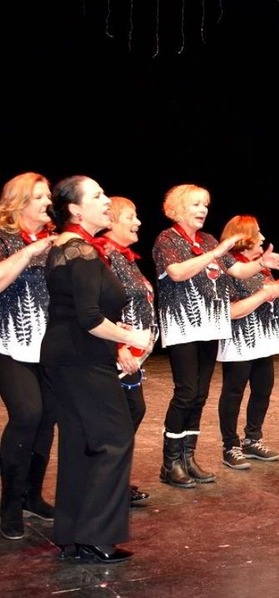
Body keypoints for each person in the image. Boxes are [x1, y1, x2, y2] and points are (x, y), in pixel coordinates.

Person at [41, 175, 153, 563]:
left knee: (80, 444)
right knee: (115, 439)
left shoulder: (70, 247)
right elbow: (89, 318)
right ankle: (96, 537)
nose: (107, 200)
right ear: (74, 208)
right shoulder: (81, 252)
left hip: (67, 357)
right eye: (98, 195)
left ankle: (75, 534)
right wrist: (131, 336)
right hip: (81, 357)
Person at [153, 184, 279, 487]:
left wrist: (260, 264)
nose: (203, 210)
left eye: (206, 205)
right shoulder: (168, 239)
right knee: (185, 393)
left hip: (210, 326)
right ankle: (169, 463)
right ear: (179, 207)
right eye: (196, 204)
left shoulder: (208, 239)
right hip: (184, 326)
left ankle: (188, 458)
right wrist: (216, 252)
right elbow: (176, 273)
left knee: (199, 395)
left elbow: (235, 272)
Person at [0, 172, 57, 540]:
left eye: (48, 195)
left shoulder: (53, 242)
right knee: (28, 413)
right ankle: (9, 503)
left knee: (47, 420)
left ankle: (31, 496)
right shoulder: (4, 239)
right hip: (7, 345)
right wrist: (27, 252)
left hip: (50, 348)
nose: (47, 201)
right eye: (39, 196)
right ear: (20, 201)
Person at [216, 215, 279, 470]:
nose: (262, 237)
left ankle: (252, 439)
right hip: (238, 340)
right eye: (257, 233)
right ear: (244, 237)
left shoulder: (261, 267)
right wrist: (265, 294)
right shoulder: (228, 265)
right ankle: (230, 446)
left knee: (263, 387)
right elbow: (233, 310)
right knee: (234, 392)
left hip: (263, 340)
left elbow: (265, 294)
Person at [101, 196, 156, 504]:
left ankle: (114, 481)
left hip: (132, 355)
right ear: (111, 221)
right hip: (115, 354)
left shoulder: (124, 257)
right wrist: (119, 346)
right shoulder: (104, 255)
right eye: (131, 216)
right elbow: (100, 303)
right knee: (122, 415)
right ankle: (106, 484)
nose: (138, 222)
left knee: (131, 411)